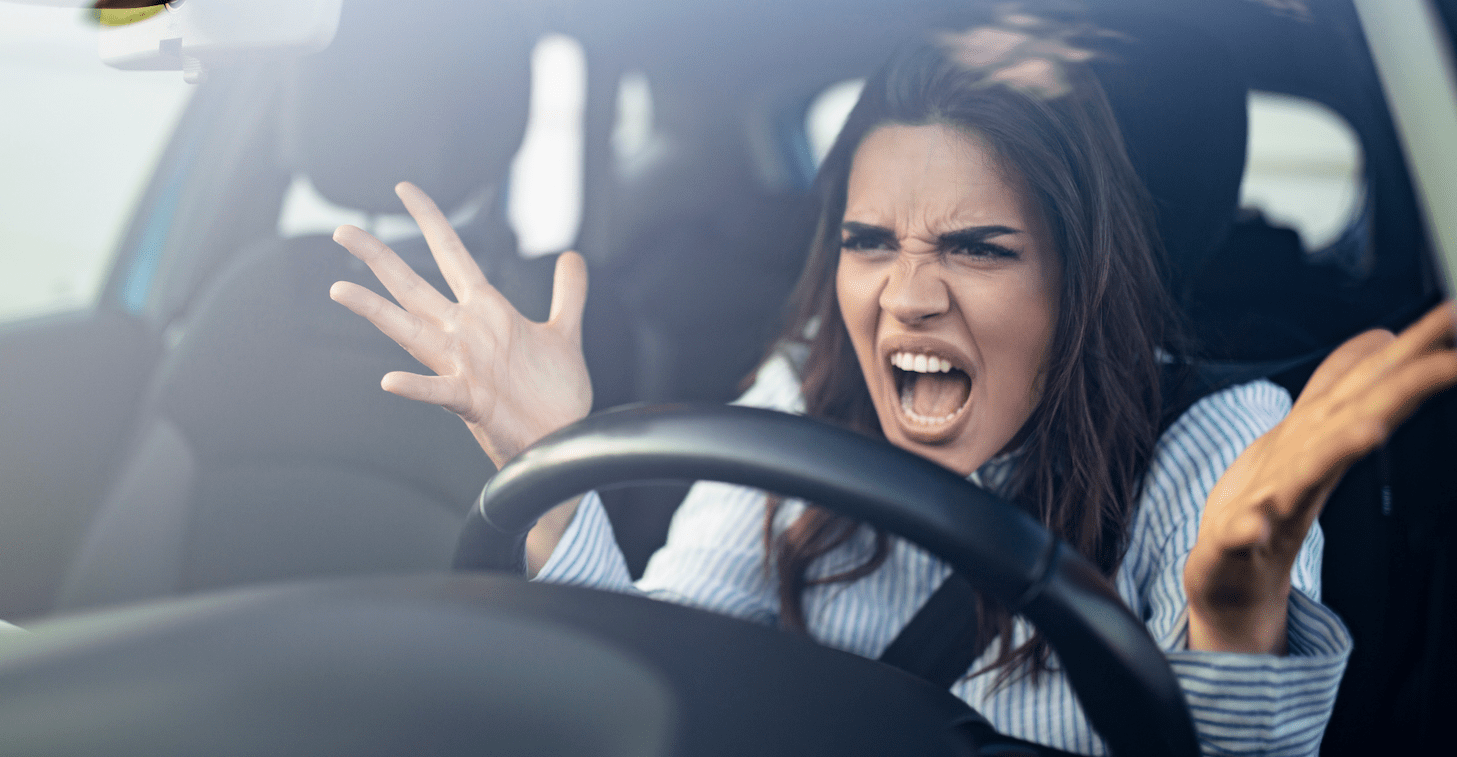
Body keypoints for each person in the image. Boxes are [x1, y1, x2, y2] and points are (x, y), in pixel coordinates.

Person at [327, 41, 1457, 756]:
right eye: (869, 243)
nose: (905, 297)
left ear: (1080, 286)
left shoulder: (1218, 443)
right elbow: (664, 665)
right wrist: (555, 468)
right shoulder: (806, 385)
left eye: (975, 248)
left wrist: (1234, 618)